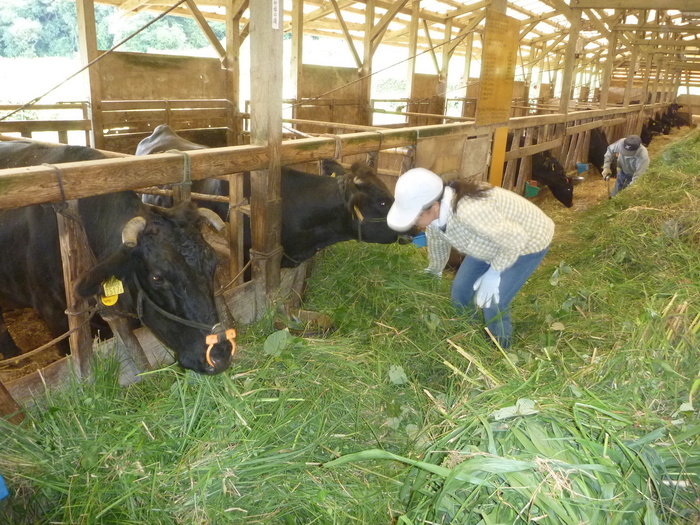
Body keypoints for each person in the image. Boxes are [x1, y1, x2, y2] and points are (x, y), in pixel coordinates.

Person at [387, 168, 555, 349]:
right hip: (488, 242)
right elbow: (438, 242)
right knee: (460, 290)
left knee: (493, 302)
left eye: (415, 216)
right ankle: (468, 337)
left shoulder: (469, 212)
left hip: (527, 241)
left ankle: (499, 350)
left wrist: (494, 273)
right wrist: (435, 269)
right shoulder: (436, 216)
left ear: (434, 206)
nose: (412, 222)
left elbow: (515, 239)